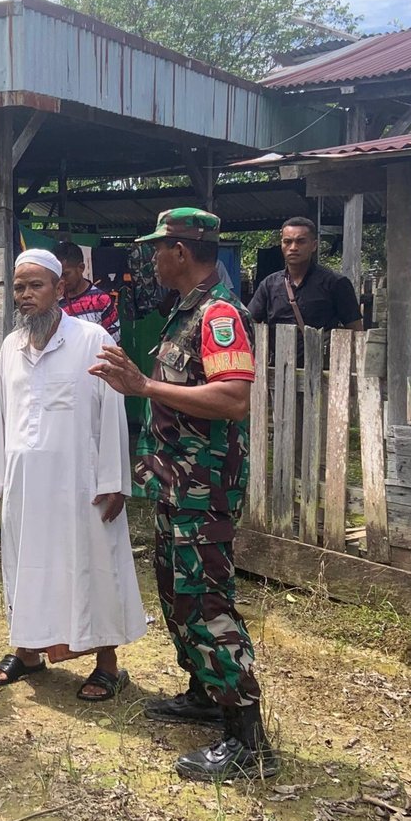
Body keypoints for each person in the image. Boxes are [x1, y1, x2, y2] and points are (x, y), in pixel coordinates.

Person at [90, 208, 279, 780]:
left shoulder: (220, 316)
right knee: (177, 590)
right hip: (178, 483)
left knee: (207, 601)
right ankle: (204, 692)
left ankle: (248, 739)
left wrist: (143, 386)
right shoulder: (185, 312)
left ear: (183, 249)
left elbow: (233, 399)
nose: (151, 258)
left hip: (205, 489)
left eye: (158, 248)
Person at [0, 248, 146, 702]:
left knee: (93, 564)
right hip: (26, 481)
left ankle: (107, 664)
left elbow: (112, 411)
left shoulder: (92, 340)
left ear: (60, 289)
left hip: (80, 481)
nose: (26, 295)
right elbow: (2, 414)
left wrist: (114, 479)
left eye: (36, 286)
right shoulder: (11, 346)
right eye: (19, 287)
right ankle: (28, 651)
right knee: (27, 562)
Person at [246, 216, 362, 331]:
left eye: (300, 241)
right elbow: (248, 324)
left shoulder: (335, 283)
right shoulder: (269, 285)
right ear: (281, 245)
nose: (293, 247)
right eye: (287, 242)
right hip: (277, 349)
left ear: (314, 246)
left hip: (320, 349)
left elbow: (355, 331)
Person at [53, 240, 121, 345]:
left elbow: (114, 341)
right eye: (58, 275)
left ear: (81, 268)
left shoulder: (101, 300)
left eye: (65, 274)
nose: (61, 280)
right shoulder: (53, 302)